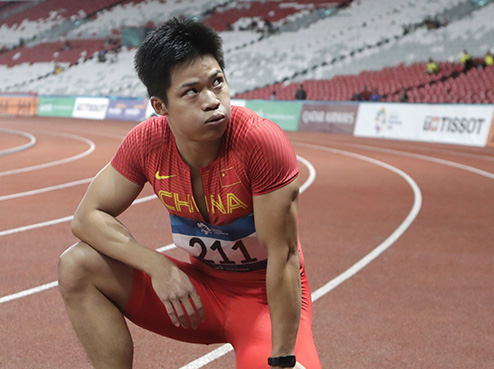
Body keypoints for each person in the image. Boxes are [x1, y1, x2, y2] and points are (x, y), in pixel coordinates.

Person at [57, 17, 319, 369]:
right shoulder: (146, 143)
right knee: (77, 265)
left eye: (217, 83)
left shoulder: (260, 142)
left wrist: (283, 358)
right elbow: (86, 218)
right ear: (160, 106)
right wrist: (158, 266)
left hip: (264, 303)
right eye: (191, 91)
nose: (212, 101)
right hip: (199, 294)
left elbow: (284, 257)